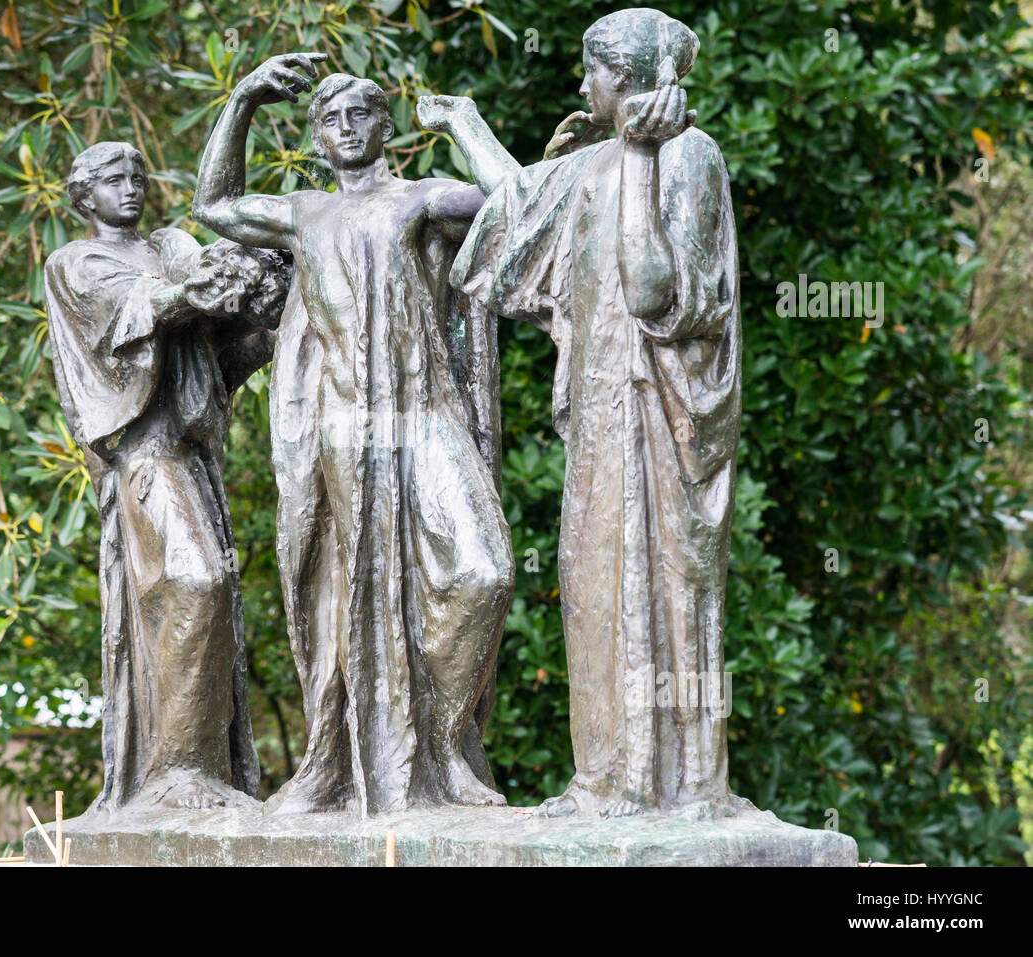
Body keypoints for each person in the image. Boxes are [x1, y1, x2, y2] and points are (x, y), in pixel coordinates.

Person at [421, 8, 743, 818]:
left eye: (590, 70)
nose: (580, 84)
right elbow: (520, 201)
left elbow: (653, 290)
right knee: (593, 582)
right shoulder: (597, 159)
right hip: (601, 415)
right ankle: (602, 777)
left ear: (625, 75)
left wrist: (640, 157)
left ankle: (664, 785)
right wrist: (464, 123)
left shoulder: (687, 156)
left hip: (656, 418)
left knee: (659, 585)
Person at [194, 57, 515, 815]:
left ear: (384, 126)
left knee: (484, 572)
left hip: (427, 412)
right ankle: (333, 759)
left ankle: (441, 748)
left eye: (360, 115)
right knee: (347, 588)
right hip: (342, 421)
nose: (344, 129)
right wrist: (242, 98)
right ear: (315, 138)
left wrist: (464, 123)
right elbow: (214, 204)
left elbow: (514, 201)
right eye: (329, 120)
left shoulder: (420, 196)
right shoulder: (305, 210)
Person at [44, 141, 288, 815]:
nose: (130, 187)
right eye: (113, 179)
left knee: (203, 592)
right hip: (144, 451)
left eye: (137, 176)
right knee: (194, 580)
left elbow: (218, 357)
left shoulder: (170, 249)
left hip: (193, 452)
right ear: (84, 194)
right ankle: (178, 769)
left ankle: (204, 767)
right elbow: (129, 312)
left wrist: (268, 308)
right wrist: (193, 288)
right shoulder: (77, 262)